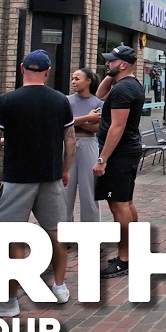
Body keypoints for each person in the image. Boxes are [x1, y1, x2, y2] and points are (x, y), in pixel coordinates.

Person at [0, 50, 75, 317]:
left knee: (12, 237)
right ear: (47, 71)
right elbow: (70, 140)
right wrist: (65, 170)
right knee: (56, 233)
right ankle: (59, 286)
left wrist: (0, 145)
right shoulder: (60, 101)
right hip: (51, 175)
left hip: (18, 177)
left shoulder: (7, 101)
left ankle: (9, 302)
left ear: (22, 69)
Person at [94, 44, 146, 278]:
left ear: (123, 64)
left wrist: (103, 158)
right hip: (127, 150)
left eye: (111, 61)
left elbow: (117, 126)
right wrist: (111, 73)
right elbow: (99, 95)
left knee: (119, 205)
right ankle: (132, 253)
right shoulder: (127, 83)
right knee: (126, 202)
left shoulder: (124, 89)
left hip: (120, 153)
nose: (107, 64)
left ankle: (125, 259)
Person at [65, 68, 102, 225]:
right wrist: (88, 118)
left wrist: (74, 121)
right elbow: (62, 123)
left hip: (89, 145)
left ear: (88, 81)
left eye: (77, 79)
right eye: (72, 78)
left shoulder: (99, 103)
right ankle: (63, 235)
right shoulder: (66, 100)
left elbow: (97, 128)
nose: (73, 81)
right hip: (68, 146)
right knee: (65, 192)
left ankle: (91, 235)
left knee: (89, 193)